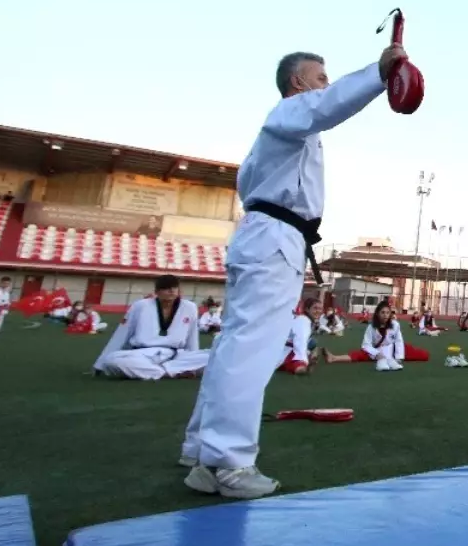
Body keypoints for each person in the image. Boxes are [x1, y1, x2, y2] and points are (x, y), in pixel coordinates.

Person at [180, 43, 406, 500]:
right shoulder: (286, 116)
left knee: (233, 345)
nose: (326, 83)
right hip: (274, 239)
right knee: (252, 349)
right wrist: (378, 74)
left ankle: (202, 451)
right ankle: (226, 462)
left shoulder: (279, 140)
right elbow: (327, 105)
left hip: (267, 237)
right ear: (298, 83)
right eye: (320, 77)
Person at [94, 276, 210, 380]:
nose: (172, 291)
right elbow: (121, 334)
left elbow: (192, 336)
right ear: (157, 292)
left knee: (214, 356)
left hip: (175, 355)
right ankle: (165, 372)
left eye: (174, 288)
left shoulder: (189, 307)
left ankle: (167, 370)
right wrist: (100, 364)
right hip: (142, 355)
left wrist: (193, 357)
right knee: (112, 360)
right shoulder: (141, 306)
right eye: (166, 288)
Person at [322, 301, 430, 370]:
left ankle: (393, 359)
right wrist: (377, 354)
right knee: (358, 355)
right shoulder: (371, 327)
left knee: (424, 355)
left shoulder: (395, 325)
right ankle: (334, 358)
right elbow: (365, 345)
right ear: (378, 313)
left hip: (394, 349)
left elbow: (399, 341)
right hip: (377, 350)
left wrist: (398, 357)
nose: (385, 315)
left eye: (387, 313)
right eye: (382, 312)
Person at [277, 300, 319, 375]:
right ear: (306, 309)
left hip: (286, 344)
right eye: (315, 308)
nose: (318, 311)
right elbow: (300, 340)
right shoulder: (303, 319)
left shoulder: (305, 319)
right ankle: (301, 366)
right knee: (295, 359)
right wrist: (303, 360)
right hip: (286, 347)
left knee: (312, 343)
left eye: (320, 308)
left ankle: (308, 358)